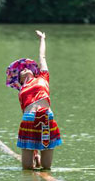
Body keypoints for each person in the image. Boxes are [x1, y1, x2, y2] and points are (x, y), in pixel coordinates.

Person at [5, 30, 62, 170]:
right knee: (27, 168)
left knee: (46, 167)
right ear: (19, 79)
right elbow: (23, 110)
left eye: (26, 67)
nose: (24, 69)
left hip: (47, 119)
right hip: (29, 120)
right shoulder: (22, 89)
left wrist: (42, 39)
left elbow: (42, 57)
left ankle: (38, 159)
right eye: (21, 71)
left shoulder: (43, 77)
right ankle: (34, 156)